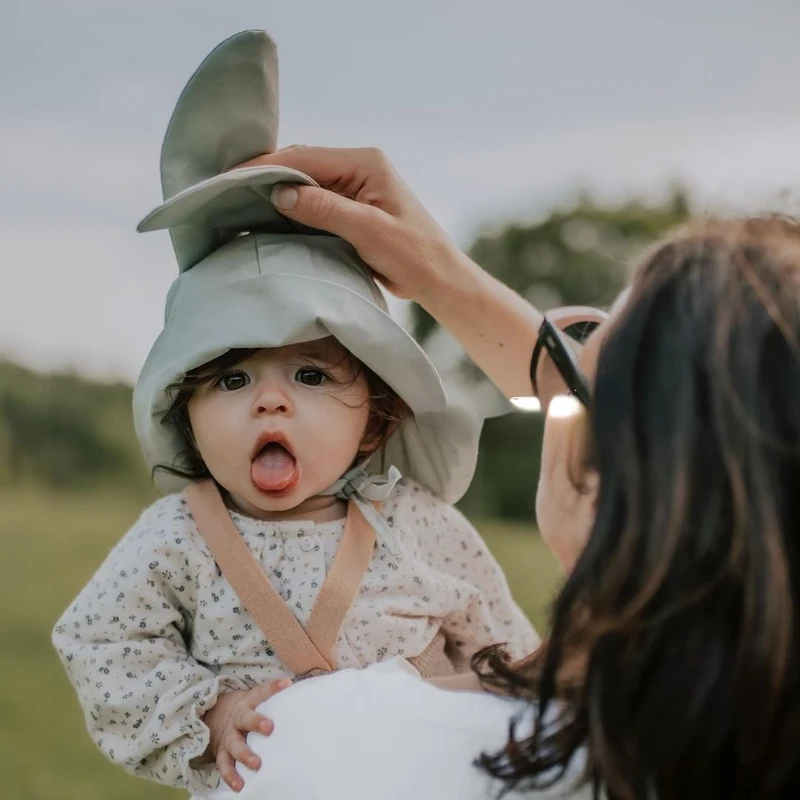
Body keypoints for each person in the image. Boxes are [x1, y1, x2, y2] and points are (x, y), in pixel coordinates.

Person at [217, 144, 800, 799]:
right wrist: (438, 273)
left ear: (601, 479)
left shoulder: (320, 746)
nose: (551, 350)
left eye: (582, 350)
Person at [51, 33, 537, 797]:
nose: (269, 399)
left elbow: (502, 647)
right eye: (232, 377)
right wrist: (209, 715)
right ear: (185, 410)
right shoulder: (178, 537)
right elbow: (102, 641)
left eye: (311, 374)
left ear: (375, 420)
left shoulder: (417, 524)